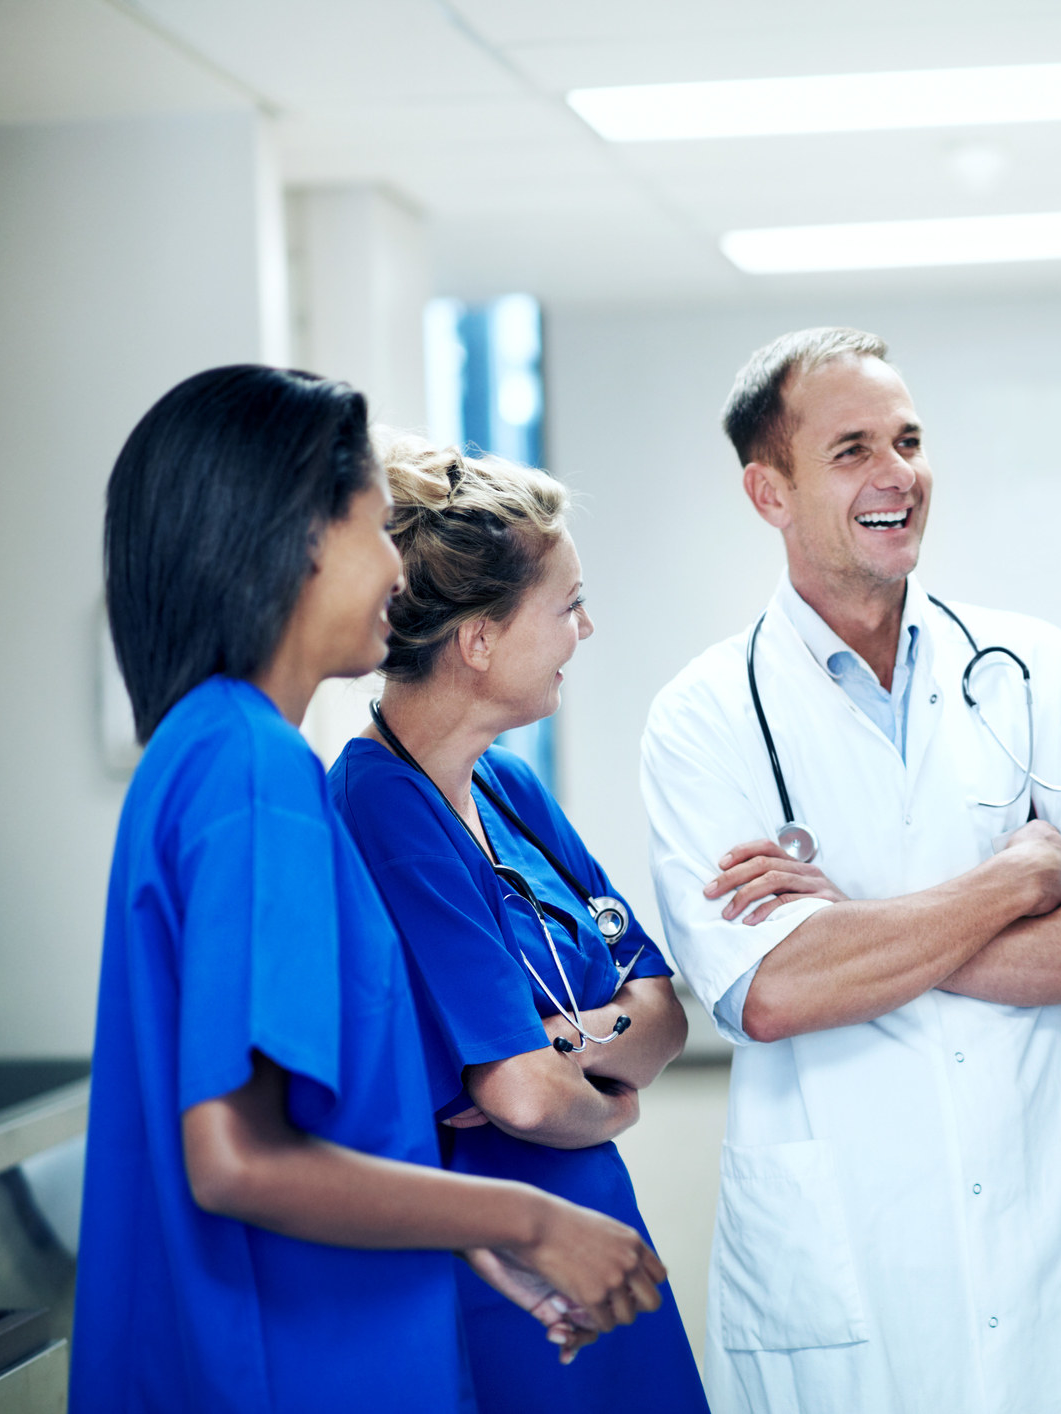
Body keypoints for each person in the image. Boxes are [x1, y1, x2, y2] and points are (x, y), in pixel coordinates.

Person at [76, 366, 666, 1414]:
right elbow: (238, 1156)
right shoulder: (258, 774)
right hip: (284, 1360)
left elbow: (327, 1123)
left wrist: (475, 1230)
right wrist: (528, 1218)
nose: (400, 567)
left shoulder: (210, 751)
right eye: (372, 526)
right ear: (295, 539)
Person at [640, 327, 1061, 1412]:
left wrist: (856, 925)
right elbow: (776, 990)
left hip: (1056, 1249)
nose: (899, 475)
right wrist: (1015, 880)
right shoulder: (703, 718)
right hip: (846, 1265)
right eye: (851, 450)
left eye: (910, 439)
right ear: (769, 490)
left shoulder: (1034, 670)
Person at [328, 433, 708, 1412]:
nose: (589, 627)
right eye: (567, 603)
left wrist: (559, 1047)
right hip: (495, 1257)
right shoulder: (380, 806)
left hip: (592, 1217)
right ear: (480, 638)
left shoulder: (506, 781)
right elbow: (524, 1101)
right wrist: (605, 1086)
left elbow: (663, 1007)